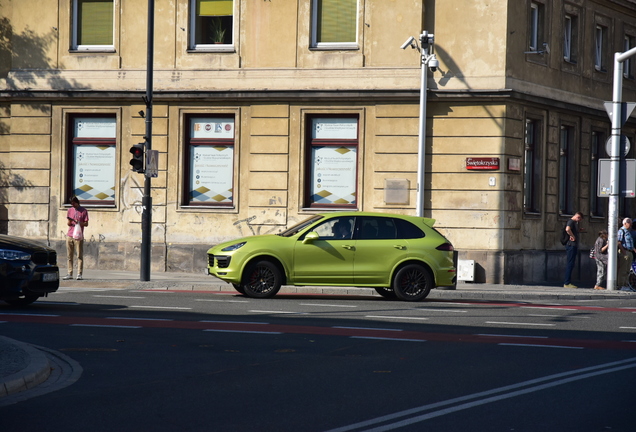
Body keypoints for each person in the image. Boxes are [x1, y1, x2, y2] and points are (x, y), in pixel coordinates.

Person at [64, 196, 89, 280]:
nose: (73, 205)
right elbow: (68, 223)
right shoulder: (70, 210)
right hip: (70, 234)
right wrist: (70, 221)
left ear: (77, 202)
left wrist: (79, 223)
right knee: (69, 255)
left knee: (79, 255)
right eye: (71, 204)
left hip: (78, 236)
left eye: (74, 203)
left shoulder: (83, 211)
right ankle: (69, 273)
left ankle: (79, 273)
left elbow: (86, 224)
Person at [563, 211, 583, 288]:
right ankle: (567, 283)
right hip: (571, 245)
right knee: (570, 263)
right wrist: (573, 236)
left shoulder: (572, 222)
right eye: (579, 219)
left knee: (571, 263)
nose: (579, 221)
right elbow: (567, 229)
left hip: (571, 245)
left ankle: (567, 282)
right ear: (578, 217)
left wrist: (577, 231)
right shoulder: (571, 221)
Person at [617, 218, 636, 291]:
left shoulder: (628, 231)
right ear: (625, 223)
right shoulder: (621, 231)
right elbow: (619, 242)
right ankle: (621, 285)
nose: (631, 225)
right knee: (623, 269)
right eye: (629, 223)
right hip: (625, 251)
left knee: (627, 270)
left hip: (630, 252)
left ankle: (625, 284)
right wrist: (624, 252)